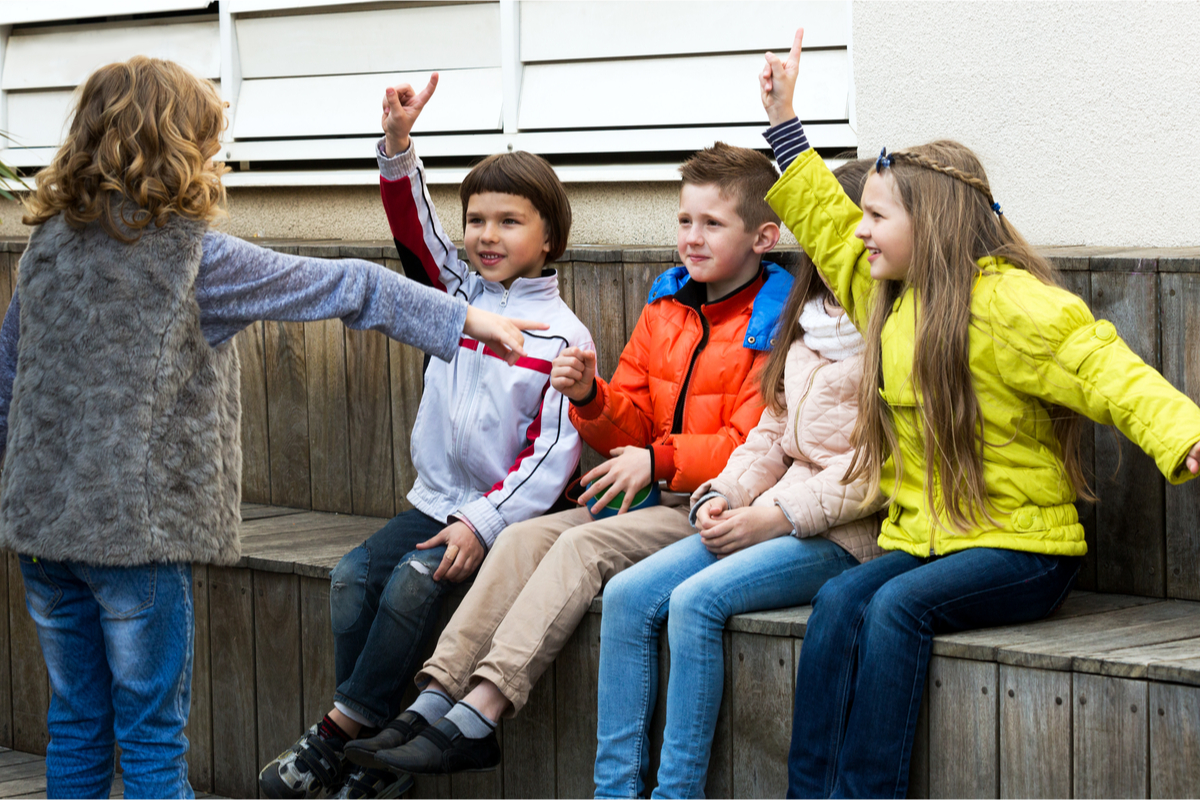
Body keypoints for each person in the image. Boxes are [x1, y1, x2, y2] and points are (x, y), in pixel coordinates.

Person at [0, 58, 539, 800]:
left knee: (77, 725)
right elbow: (347, 285)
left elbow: (9, 385)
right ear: (179, 148)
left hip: (42, 537)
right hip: (133, 538)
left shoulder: (48, 247)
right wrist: (468, 318)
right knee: (152, 739)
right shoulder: (190, 258)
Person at [759, 29, 1200, 798]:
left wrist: (1183, 433)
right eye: (861, 217)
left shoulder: (1012, 307)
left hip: (1024, 550)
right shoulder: (887, 297)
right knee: (838, 600)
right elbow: (826, 225)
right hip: (929, 540)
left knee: (893, 610)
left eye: (878, 217)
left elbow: (1106, 369)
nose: (860, 231)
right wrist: (786, 125)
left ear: (928, 225)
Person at [342, 142, 794, 778]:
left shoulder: (776, 322)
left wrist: (657, 461)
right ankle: (434, 700)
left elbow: (756, 445)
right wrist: (590, 394)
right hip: (650, 493)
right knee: (523, 537)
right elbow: (626, 423)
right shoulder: (667, 307)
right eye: (685, 221)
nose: (693, 238)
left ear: (763, 237)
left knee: (579, 549)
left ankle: (482, 713)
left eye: (712, 224)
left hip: (715, 506)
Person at [257, 73, 592, 800]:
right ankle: (374, 760)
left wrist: (483, 520)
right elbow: (416, 229)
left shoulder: (563, 335)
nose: (487, 235)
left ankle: (342, 739)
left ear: (550, 237)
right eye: (477, 221)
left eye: (510, 222)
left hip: (507, 521)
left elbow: (550, 456)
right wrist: (399, 146)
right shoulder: (456, 295)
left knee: (411, 583)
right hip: (436, 499)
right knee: (352, 578)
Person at [593, 158, 885, 799]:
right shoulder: (809, 321)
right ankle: (613, 792)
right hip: (769, 511)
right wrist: (725, 493)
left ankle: (677, 793)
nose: (846, 242)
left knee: (697, 603)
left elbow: (876, 473)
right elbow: (771, 433)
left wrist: (770, 519)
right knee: (626, 596)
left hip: (845, 536)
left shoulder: (896, 333)